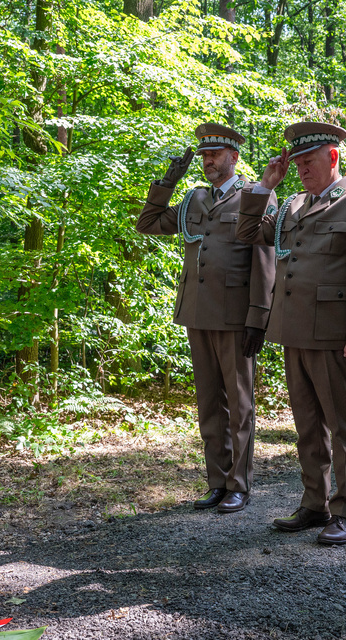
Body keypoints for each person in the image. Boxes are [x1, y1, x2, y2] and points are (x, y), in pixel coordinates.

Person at [237, 121, 346, 545]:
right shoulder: (289, 206)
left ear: (333, 158)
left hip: (335, 334)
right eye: (298, 162)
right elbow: (247, 232)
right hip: (292, 331)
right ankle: (314, 502)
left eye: (310, 160)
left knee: (342, 427)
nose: (303, 168)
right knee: (307, 425)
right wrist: (266, 185)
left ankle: (345, 509)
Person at [136, 123, 275, 514]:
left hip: (236, 317)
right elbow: (147, 224)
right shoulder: (194, 199)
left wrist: (257, 318)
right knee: (209, 403)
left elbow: (265, 262)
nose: (208, 161)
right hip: (197, 312)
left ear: (234, 156)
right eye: (203, 155)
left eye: (215, 154)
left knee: (240, 403)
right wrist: (167, 181)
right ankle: (217, 480)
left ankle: (239, 485)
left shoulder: (255, 196)